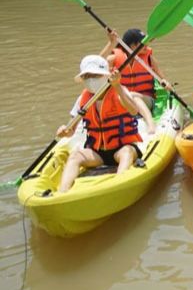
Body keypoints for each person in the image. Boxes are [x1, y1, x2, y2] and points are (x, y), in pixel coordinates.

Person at [56, 55, 143, 193]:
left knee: (126, 152)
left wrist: (117, 86)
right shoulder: (83, 98)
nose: (91, 80)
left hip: (121, 147)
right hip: (98, 153)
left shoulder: (118, 90)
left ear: (104, 76)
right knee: (75, 156)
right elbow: (70, 130)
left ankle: (119, 188)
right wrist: (64, 131)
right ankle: (62, 193)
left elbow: (133, 110)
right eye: (87, 76)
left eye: (95, 75)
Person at [100, 28, 167, 108]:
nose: (146, 45)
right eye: (142, 43)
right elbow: (95, 66)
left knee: (132, 96)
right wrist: (111, 43)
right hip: (122, 101)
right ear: (132, 46)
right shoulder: (114, 59)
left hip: (146, 100)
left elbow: (162, 79)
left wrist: (166, 84)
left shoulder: (149, 59)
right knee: (125, 97)